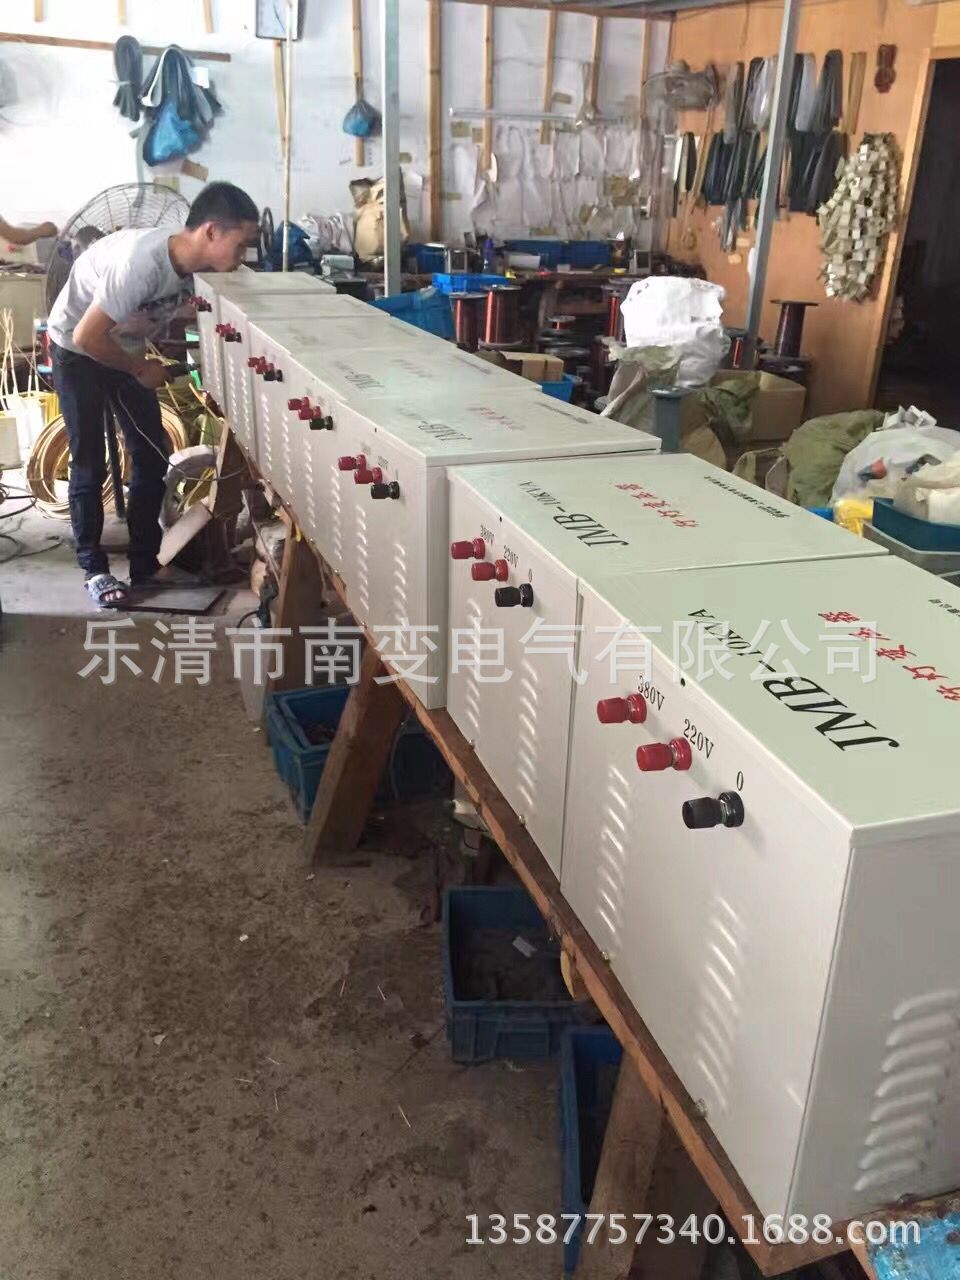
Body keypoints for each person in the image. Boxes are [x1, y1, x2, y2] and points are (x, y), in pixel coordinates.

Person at [47, 181, 259, 608]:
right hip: (77, 349)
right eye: (240, 245)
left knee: (150, 455)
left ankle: (145, 563)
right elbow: (88, 336)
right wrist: (139, 368)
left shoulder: (199, 268)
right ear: (211, 232)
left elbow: (203, 315)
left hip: (123, 346)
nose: (243, 258)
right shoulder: (140, 266)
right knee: (90, 461)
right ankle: (94, 570)